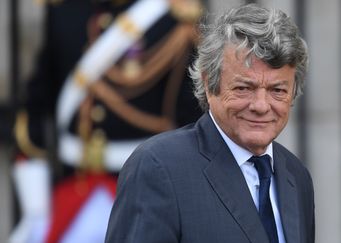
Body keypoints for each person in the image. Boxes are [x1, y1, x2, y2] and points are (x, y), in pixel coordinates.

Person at [105, 3, 314, 243]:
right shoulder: (159, 168)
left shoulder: (296, 177)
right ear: (208, 83)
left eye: (277, 90)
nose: (261, 105)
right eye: (244, 88)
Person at [10, 0, 203, 242]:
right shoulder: (65, 11)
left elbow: (192, 123)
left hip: (144, 193)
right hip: (72, 191)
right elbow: (36, 107)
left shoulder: (171, 19)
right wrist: (35, 208)